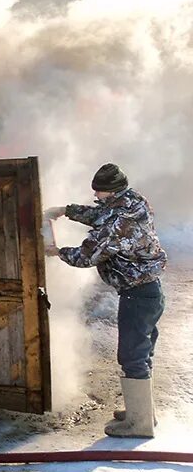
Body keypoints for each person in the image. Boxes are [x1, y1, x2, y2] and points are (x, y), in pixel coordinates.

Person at [46, 163, 167, 438]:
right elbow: (101, 214)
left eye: (99, 193)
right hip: (149, 291)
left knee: (132, 355)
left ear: (111, 192)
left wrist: (55, 251)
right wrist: (67, 211)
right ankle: (143, 412)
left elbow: (87, 255)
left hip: (138, 294)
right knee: (142, 352)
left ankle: (139, 425)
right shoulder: (132, 200)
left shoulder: (117, 223)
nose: (97, 198)